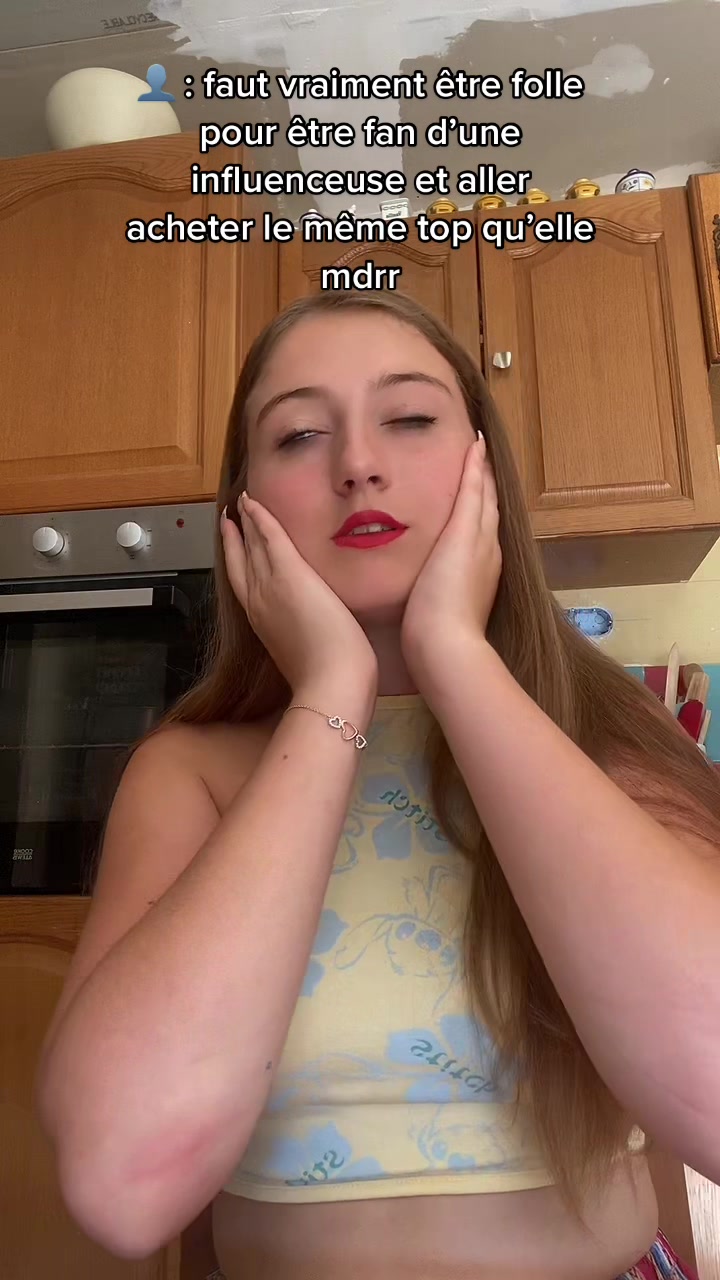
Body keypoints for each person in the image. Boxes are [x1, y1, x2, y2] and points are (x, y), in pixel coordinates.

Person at [35, 291, 720, 1280]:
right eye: (299, 434)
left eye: (408, 417)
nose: (358, 463)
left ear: (486, 468)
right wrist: (330, 694)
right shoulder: (191, 771)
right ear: (243, 510)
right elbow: (121, 1186)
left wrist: (456, 658)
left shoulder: (613, 735)